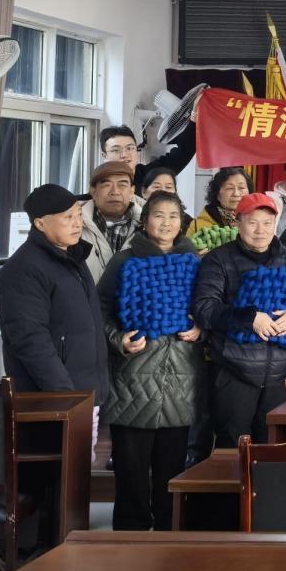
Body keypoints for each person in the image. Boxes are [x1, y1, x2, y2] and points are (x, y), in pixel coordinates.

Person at [96, 191, 202, 532]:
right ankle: (130, 539)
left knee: (173, 470)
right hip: (133, 379)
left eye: (173, 216)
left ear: (182, 222)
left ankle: (169, 539)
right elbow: (100, 310)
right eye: (159, 215)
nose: (166, 223)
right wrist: (119, 340)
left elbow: (210, 307)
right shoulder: (124, 261)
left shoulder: (196, 261)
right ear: (144, 221)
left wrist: (201, 328)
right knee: (131, 470)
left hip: (181, 380)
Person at [190, 193, 286, 447]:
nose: (261, 230)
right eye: (252, 222)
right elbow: (205, 308)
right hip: (235, 370)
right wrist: (249, 318)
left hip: (281, 372)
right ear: (238, 223)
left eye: (267, 223)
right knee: (232, 445)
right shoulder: (219, 259)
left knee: (274, 446)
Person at [0, 184, 108, 428]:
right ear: (40, 223)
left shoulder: (73, 258)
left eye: (79, 215)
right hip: (54, 403)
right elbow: (31, 341)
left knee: (83, 454)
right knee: (56, 455)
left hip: (84, 395)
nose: (77, 224)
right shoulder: (24, 269)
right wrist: (66, 398)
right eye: (67, 217)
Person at [81, 161, 144, 283]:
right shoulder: (73, 224)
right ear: (93, 191)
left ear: (132, 191)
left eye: (122, 185)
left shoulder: (149, 225)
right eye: (106, 185)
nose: (115, 191)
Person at [100, 121, 196, 192]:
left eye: (130, 148)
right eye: (116, 150)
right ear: (104, 156)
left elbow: (185, 151)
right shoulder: (99, 187)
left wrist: (194, 118)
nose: (124, 155)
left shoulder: (150, 176)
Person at [187, 167, 252, 239]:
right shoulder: (198, 226)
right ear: (217, 195)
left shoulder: (259, 221)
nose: (236, 194)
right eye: (229, 188)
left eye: (241, 187)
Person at [138, 166, 192, 233]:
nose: (163, 191)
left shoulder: (188, 223)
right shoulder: (133, 217)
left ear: (175, 192)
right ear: (144, 192)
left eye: (168, 187)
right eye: (157, 187)